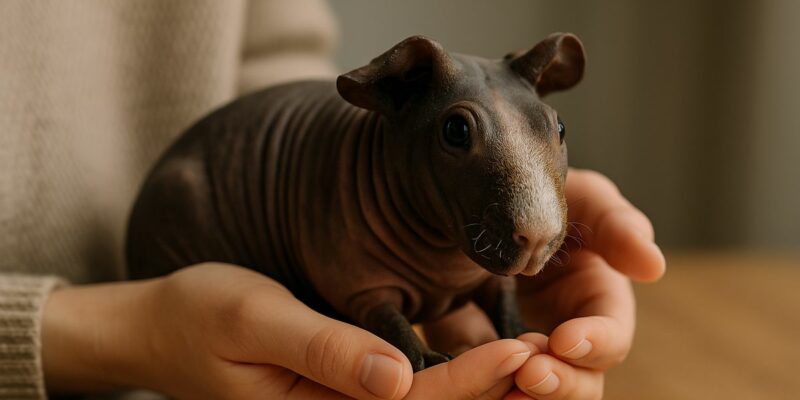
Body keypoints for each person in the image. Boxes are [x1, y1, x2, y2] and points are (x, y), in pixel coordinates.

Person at [0, 1, 665, 399]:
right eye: (458, 133)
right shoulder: (359, 221)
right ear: (396, 95)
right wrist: (130, 332)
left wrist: (515, 325)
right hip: (180, 262)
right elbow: (358, 280)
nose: (534, 232)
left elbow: (275, 50)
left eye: (552, 135)